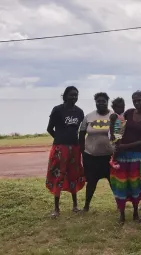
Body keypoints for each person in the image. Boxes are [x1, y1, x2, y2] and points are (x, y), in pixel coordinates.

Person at [110, 91, 141, 224]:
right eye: (134, 100)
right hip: (121, 155)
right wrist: (113, 130)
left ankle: (135, 213)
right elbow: (118, 130)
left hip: (136, 155)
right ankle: (122, 214)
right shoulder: (128, 113)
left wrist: (127, 145)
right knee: (121, 184)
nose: (137, 103)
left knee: (135, 184)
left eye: (139, 100)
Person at [45, 86, 85, 217]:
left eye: (76, 95)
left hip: (75, 147)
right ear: (65, 96)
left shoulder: (79, 112)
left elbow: (79, 130)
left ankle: (75, 206)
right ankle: (56, 209)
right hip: (60, 148)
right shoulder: (58, 110)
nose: (74, 97)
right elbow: (50, 128)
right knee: (59, 176)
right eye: (71, 95)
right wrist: (59, 139)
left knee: (74, 174)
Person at [79, 92, 113, 212]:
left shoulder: (114, 116)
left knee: (114, 182)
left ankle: (120, 205)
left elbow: (119, 135)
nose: (101, 103)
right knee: (91, 182)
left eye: (103, 101)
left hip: (109, 157)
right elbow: (82, 133)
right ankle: (86, 206)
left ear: (107, 102)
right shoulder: (89, 116)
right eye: (98, 101)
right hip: (91, 156)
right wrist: (83, 151)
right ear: (95, 102)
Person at [108, 98, 126, 169]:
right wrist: (112, 135)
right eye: (119, 107)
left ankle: (115, 159)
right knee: (117, 147)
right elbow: (111, 125)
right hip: (115, 134)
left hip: (120, 134)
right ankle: (113, 160)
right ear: (114, 108)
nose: (122, 109)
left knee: (119, 147)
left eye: (123, 107)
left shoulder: (122, 115)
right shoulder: (114, 115)